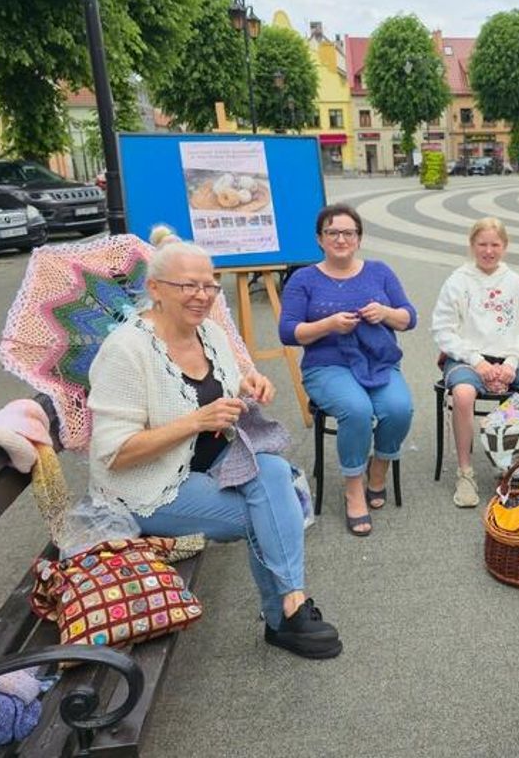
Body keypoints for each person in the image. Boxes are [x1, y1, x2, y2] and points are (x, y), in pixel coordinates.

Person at [87, 227, 341, 660]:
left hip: (211, 465)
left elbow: (223, 387)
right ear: (155, 289)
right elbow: (115, 453)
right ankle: (283, 619)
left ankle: (292, 601)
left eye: (209, 284)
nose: (202, 295)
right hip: (146, 487)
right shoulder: (126, 350)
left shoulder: (209, 334)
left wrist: (250, 384)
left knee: (276, 473)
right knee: (263, 515)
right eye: (188, 285)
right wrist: (194, 421)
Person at [278, 203, 416, 537]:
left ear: (359, 238)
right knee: (356, 409)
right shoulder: (304, 278)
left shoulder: (379, 271)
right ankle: (354, 487)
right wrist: (327, 324)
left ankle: (378, 468)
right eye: (332, 232)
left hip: (377, 361)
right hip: (326, 365)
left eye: (348, 233)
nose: (341, 239)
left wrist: (384, 312)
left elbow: (409, 318)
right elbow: (287, 331)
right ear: (320, 239)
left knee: (400, 407)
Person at [431, 217, 519, 508]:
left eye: (495, 244)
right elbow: (443, 329)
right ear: (472, 245)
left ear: (504, 246)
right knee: (464, 394)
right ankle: (465, 472)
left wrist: (511, 363)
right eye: (482, 244)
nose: (488, 251)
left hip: (510, 359)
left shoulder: (515, 283)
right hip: (467, 358)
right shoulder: (458, 281)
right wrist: (478, 363)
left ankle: (517, 458)